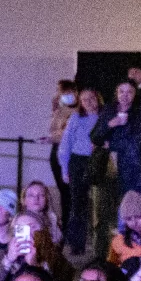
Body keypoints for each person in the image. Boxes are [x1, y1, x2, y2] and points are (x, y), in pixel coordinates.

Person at [58, 87, 104, 256]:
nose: (89, 102)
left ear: (97, 98)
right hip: (79, 161)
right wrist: (65, 168)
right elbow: (66, 144)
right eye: (84, 100)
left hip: (100, 160)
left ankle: (101, 244)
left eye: (91, 98)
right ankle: (77, 245)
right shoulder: (76, 118)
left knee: (101, 203)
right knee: (78, 204)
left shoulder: (105, 116)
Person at [93, 80, 141, 206]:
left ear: (135, 94)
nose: (125, 95)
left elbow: (139, 140)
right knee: (113, 203)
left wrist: (112, 145)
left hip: (133, 165)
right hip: (108, 165)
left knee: (134, 202)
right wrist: (110, 124)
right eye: (121, 91)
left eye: (129, 92)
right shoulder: (109, 110)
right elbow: (94, 137)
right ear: (116, 93)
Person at [0, 210, 74, 281]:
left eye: (32, 227)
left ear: (43, 230)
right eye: (21, 228)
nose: (27, 233)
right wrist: (9, 259)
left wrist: (34, 265)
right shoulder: (2, 255)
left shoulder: (54, 255)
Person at [47, 80, 79, 230]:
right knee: (63, 192)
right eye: (61, 93)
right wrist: (54, 110)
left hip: (71, 155)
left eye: (66, 92)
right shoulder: (60, 110)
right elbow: (52, 130)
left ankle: (71, 227)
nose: (63, 96)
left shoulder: (80, 110)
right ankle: (66, 226)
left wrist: (59, 135)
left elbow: (70, 134)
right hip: (56, 152)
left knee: (71, 193)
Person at [106, 189, 141, 266]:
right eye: (129, 219)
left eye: (139, 217)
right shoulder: (118, 241)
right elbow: (110, 267)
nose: (134, 222)